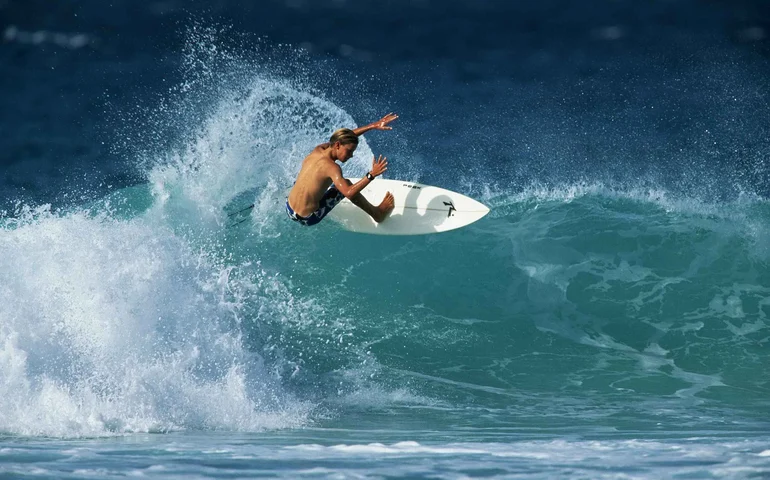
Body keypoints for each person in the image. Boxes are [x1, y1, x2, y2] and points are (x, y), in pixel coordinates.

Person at [286, 113, 398, 226]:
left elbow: (344, 139)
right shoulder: (333, 168)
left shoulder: (319, 149)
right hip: (307, 218)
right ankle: (377, 214)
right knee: (345, 186)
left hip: (289, 209)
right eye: (349, 151)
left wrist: (373, 126)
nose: (351, 155)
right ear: (337, 145)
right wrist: (371, 174)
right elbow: (349, 193)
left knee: (310, 177)